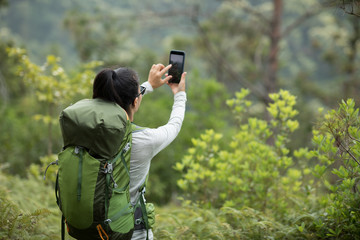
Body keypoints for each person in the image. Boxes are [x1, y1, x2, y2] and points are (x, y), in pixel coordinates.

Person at [92, 63, 187, 240]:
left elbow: (116, 100)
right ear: (136, 101)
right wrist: (180, 94)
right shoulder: (145, 140)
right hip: (132, 232)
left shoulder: (90, 131)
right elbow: (174, 125)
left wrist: (148, 85)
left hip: (94, 230)